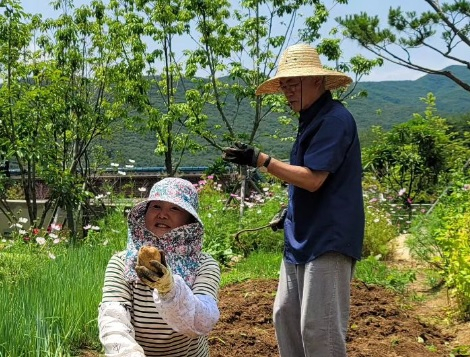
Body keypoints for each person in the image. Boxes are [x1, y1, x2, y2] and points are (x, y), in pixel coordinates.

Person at [222, 43, 364, 357]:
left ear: (318, 81)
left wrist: (261, 160)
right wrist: (289, 211)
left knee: (319, 332)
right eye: (283, 84)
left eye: (293, 82)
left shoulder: (334, 120)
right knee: (284, 316)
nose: (287, 91)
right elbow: (313, 180)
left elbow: (313, 179)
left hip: (328, 238)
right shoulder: (311, 120)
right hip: (302, 235)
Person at [98, 177, 221, 357]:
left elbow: (203, 321)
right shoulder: (122, 263)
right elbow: (113, 318)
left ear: (190, 219)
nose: (162, 214)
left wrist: (169, 288)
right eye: (156, 206)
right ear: (144, 214)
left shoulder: (204, 265)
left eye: (174, 208)